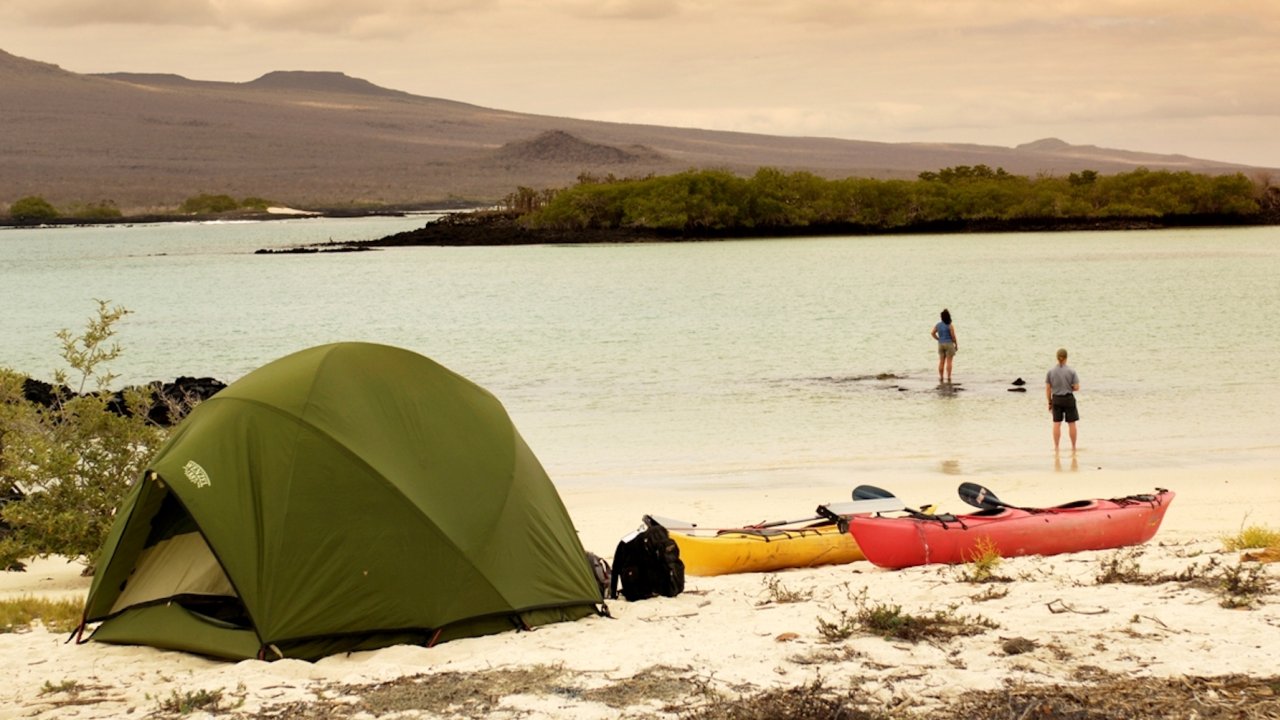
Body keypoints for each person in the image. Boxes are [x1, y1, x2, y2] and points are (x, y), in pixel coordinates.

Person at [1045, 347, 1080, 452]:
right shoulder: (1071, 371)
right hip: (1068, 398)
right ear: (1066, 358)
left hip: (1056, 399)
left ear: (1057, 358)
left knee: (1056, 423)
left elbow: (1048, 389)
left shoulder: (1050, 372)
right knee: (1072, 423)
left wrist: (1050, 402)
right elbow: (1077, 387)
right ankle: (1073, 447)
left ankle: (1056, 447)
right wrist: (1070, 388)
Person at [930, 308, 957, 383]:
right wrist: (956, 344)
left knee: (941, 362)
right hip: (949, 344)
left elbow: (932, 333)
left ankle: (941, 377)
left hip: (940, 344)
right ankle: (948, 377)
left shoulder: (938, 325)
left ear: (941, 317)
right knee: (949, 362)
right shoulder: (950, 325)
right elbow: (953, 336)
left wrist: (938, 339)